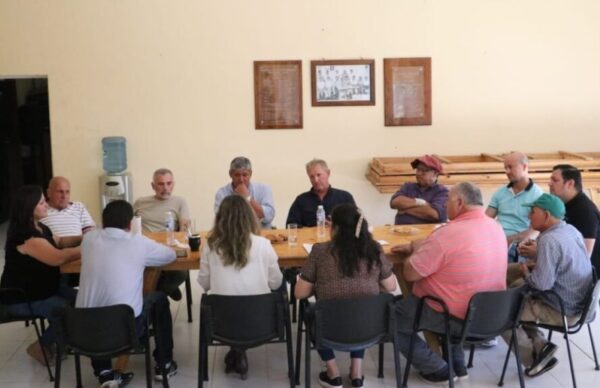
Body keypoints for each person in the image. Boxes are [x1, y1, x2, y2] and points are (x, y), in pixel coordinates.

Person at [393, 182, 507, 384]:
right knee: (455, 290)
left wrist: (417, 249)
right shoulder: (496, 227)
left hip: (453, 315)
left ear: (460, 202)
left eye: (448, 201)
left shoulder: (446, 234)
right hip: (491, 313)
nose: (445, 205)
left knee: (392, 319)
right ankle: (457, 363)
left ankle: (437, 369)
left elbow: (409, 273)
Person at [76, 200, 179, 387]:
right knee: (159, 299)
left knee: (97, 305)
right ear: (130, 224)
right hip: (124, 331)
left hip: (82, 331)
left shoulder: (89, 240)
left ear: (103, 221)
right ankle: (164, 363)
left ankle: (104, 372)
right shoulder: (138, 242)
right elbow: (170, 256)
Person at [295, 204, 397, 388]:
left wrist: (320, 285)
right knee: (359, 308)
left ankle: (333, 373)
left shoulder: (320, 251)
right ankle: (356, 373)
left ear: (336, 228)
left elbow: (299, 293)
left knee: (316, 312)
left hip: (329, 328)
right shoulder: (374, 250)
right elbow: (391, 286)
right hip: (370, 328)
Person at [502, 193, 593, 377]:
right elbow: (564, 263)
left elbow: (541, 285)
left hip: (562, 309)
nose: (529, 216)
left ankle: (534, 357)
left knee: (500, 313)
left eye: (532, 212)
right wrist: (536, 262)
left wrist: (527, 271)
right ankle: (542, 347)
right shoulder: (570, 230)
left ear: (546, 215)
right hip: (580, 303)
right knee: (507, 273)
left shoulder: (548, 240)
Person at [197, 195, 283, 380]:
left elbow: (204, 284)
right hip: (261, 323)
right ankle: (239, 351)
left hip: (221, 323)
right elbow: (276, 282)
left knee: (225, 302)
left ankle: (236, 350)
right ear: (249, 217)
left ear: (220, 218)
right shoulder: (263, 244)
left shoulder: (210, 246)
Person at [0, 185, 80, 366]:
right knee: (69, 311)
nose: (46, 205)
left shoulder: (40, 227)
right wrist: (87, 247)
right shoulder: (26, 237)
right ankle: (39, 346)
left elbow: (59, 241)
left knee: (83, 299)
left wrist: (83, 237)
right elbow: (58, 258)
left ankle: (60, 341)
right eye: (42, 202)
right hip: (22, 298)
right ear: (29, 207)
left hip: (45, 289)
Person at [134, 168, 190, 300]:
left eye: (169, 183)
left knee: (181, 273)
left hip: (168, 248)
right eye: (161, 184)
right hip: (145, 249)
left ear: (173, 184)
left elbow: (184, 227)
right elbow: (128, 225)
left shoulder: (180, 201)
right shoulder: (140, 202)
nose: (165, 188)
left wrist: (181, 234)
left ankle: (156, 295)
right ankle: (166, 291)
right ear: (153, 186)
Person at [486, 152, 543, 262]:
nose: (507, 171)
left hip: (517, 244)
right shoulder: (500, 193)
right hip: (496, 240)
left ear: (524, 167)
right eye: (505, 168)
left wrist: (509, 240)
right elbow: (485, 219)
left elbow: (535, 230)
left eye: (510, 167)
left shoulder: (538, 195)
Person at [286, 159, 355, 227]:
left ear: (328, 173)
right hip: (309, 238)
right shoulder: (301, 200)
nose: (315, 180)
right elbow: (291, 226)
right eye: (311, 177)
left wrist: (335, 227)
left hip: (337, 238)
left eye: (318, 175)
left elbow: (357, 225)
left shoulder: (345, 198)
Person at [214, 156, 275, 229]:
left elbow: (269, 216)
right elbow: (222, 221)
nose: (241, 179)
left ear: (250, 174)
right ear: (230, 174)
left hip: (261, 235)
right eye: (237, 175)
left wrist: (248, 198)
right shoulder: (222, 193)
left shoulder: (264, 189)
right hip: (233, 237)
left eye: (245, 175)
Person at [390, 155, 448, 225]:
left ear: (435, 173)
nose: (418, 173)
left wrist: (405, 209)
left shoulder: (442, 192)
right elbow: (394, 202)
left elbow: (433, 214)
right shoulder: (408, 186)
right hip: (401, 232)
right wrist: (420, 202)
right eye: (418, 169)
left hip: (428, 234)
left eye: (424, 170)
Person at [40, 176, 95, 240]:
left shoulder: (78, 206)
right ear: (49, 193)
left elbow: (90, 233)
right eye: (60, 192)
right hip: (53, 249)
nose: (64, 196)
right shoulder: (41, 210)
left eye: (67, 192)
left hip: (79, 248)